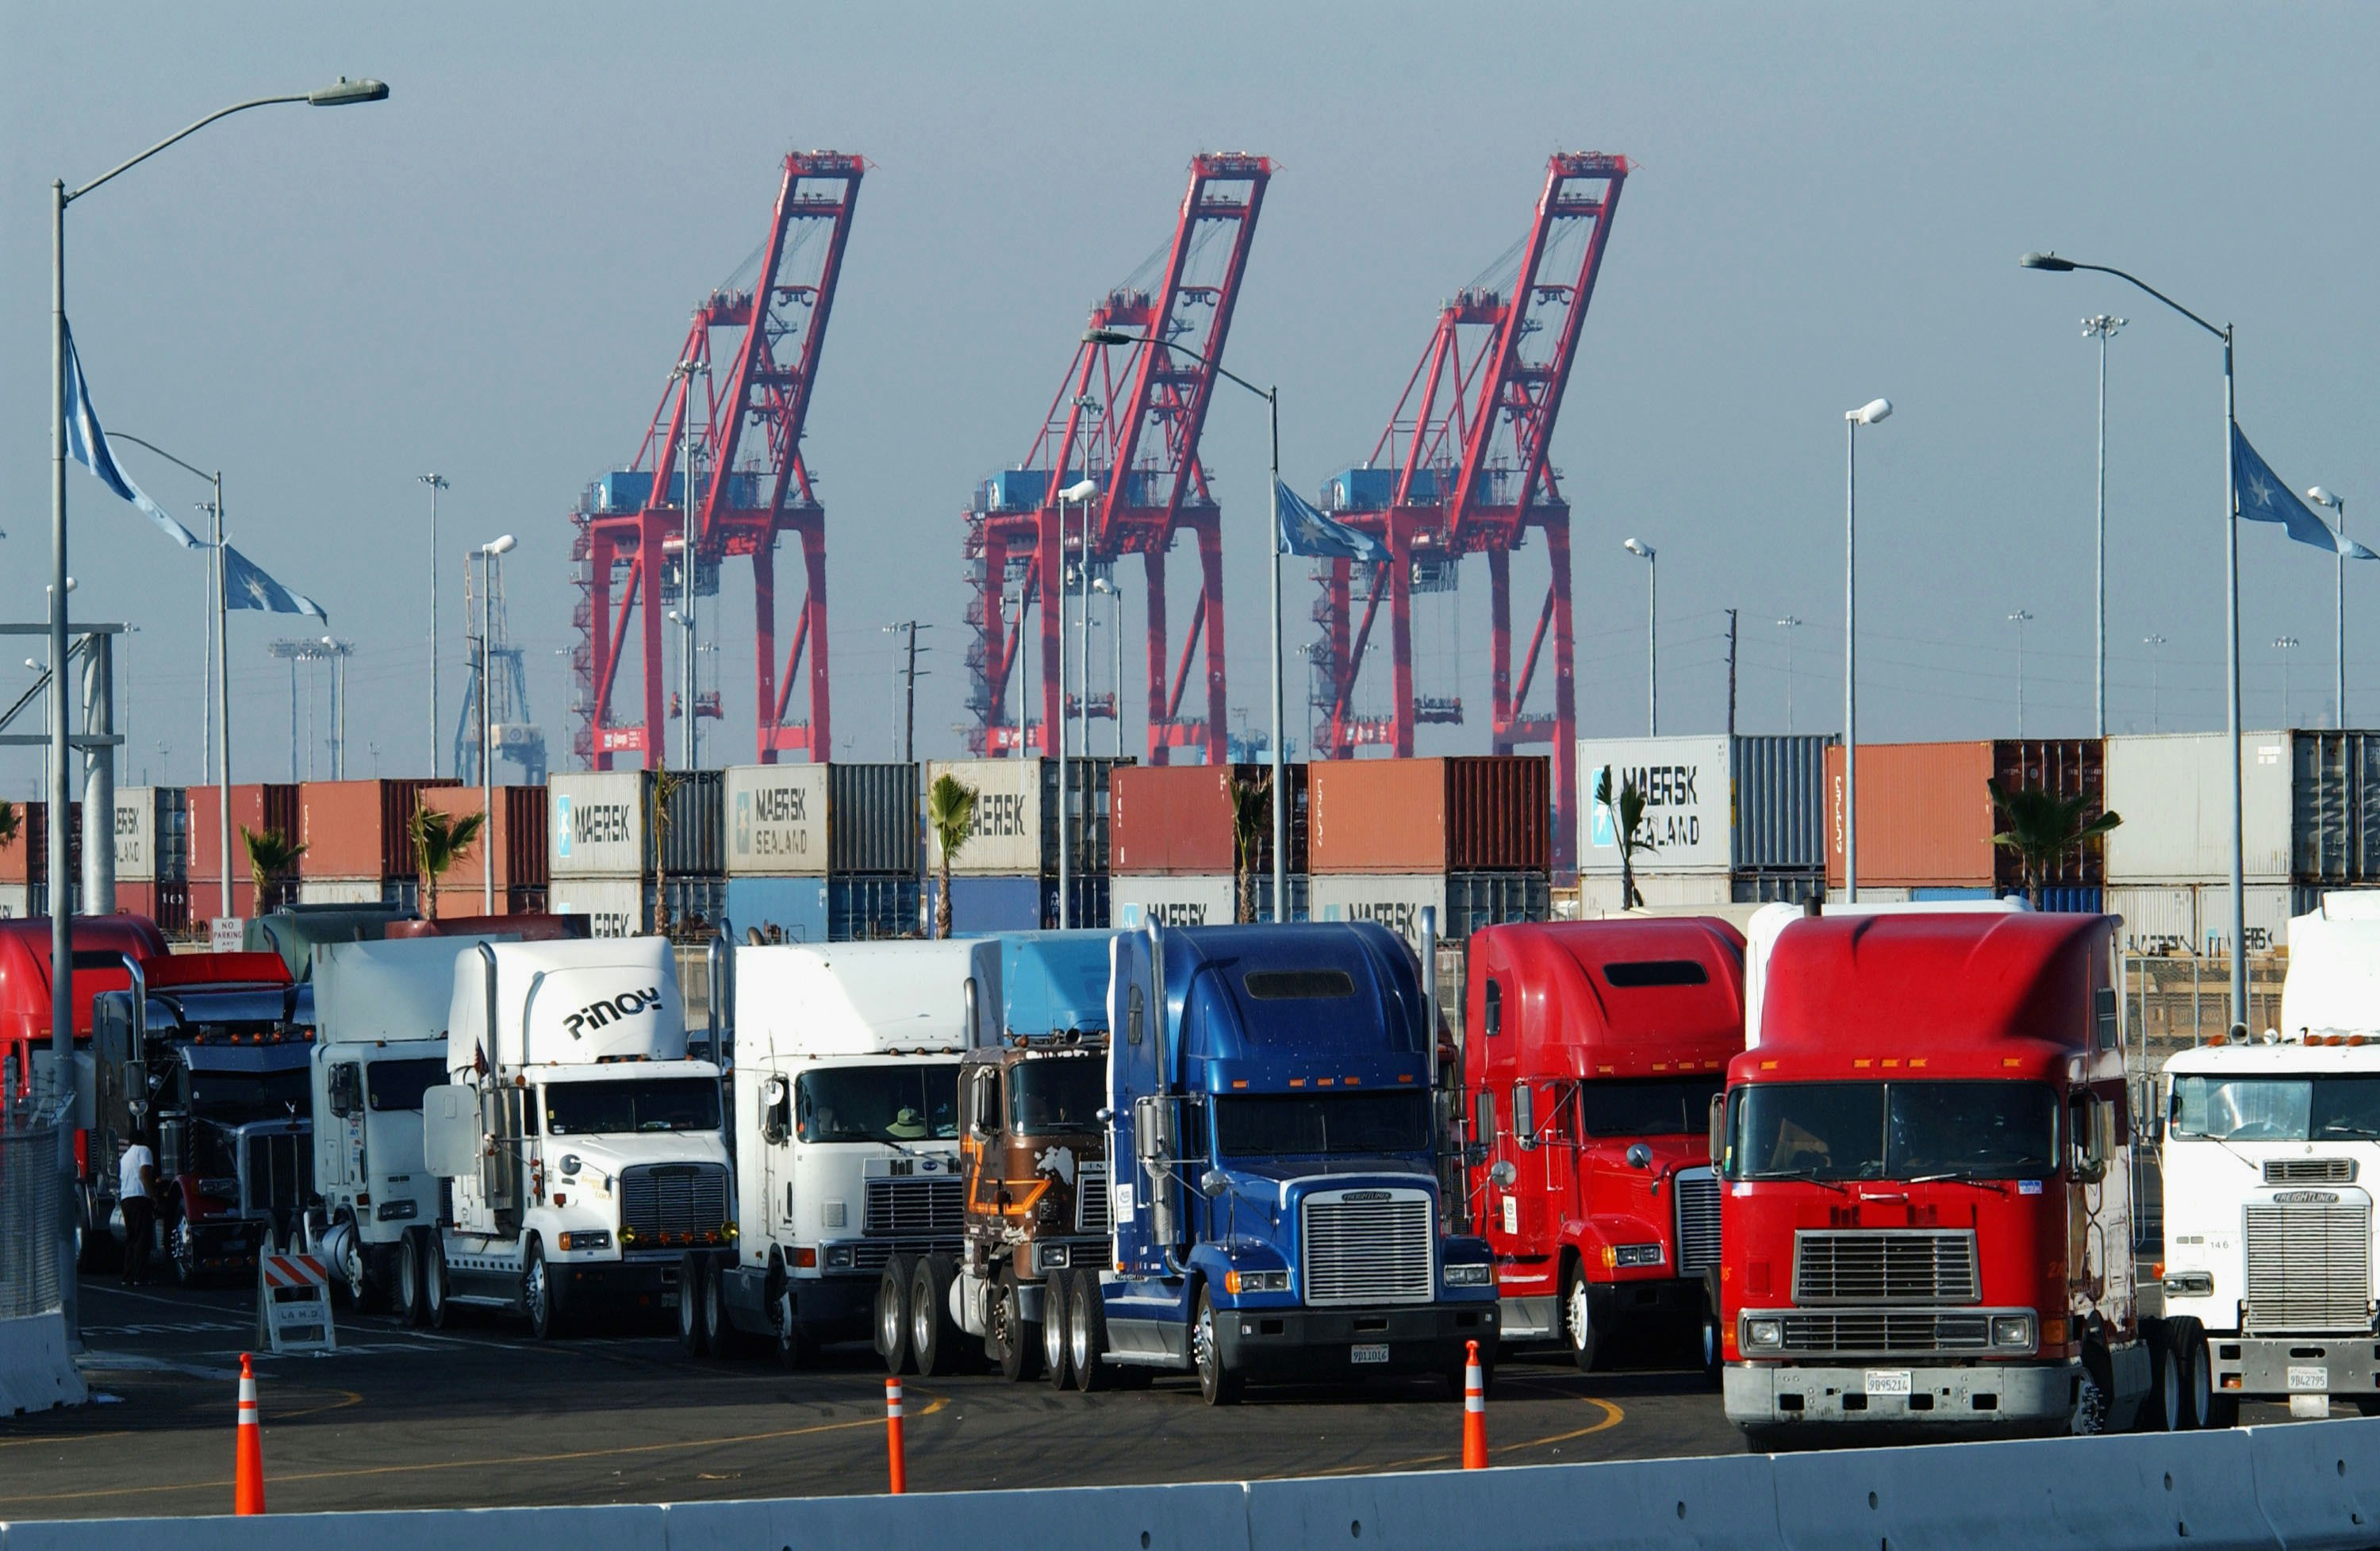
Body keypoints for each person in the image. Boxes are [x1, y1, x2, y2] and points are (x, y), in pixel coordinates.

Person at [118, 1140, 160, 1285]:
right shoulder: (144, 1150)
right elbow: (144, 1173)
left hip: (125, 1199)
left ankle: (127, 1276)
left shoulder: (125, 1157)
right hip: (139, 1198)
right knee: (143, 1238)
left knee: (131, 1239)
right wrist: (153, 1195)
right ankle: (140, 1277)